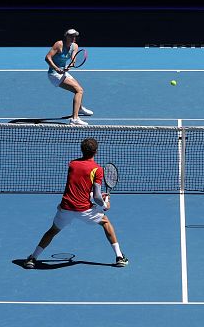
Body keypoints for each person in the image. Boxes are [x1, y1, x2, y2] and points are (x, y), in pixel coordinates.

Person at [24, 138, 128, 268]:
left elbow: (77, 187)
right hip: (84, 210)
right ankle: (119, 257)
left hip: (66, 207)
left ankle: (32, 258)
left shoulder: (72, 164)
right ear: (96, 151)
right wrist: (104, 205)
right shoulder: (97, 169)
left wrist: (94, 196)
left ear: (82, 150)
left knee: (52, 231)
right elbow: (96, 197)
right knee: (106, 223)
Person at [45, 29, 93, 125]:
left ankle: (79, 108)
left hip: (63, 72)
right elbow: (47, 58)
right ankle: (74, 119)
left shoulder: (75, 46)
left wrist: (69, 66)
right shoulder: (59, 44)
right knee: (79, 91)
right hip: (54, 74)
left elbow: (73, 60)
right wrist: (56, 68)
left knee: (79, 89)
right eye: (71, 36)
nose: (73, 38)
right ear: (66, 36)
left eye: (75, 36)